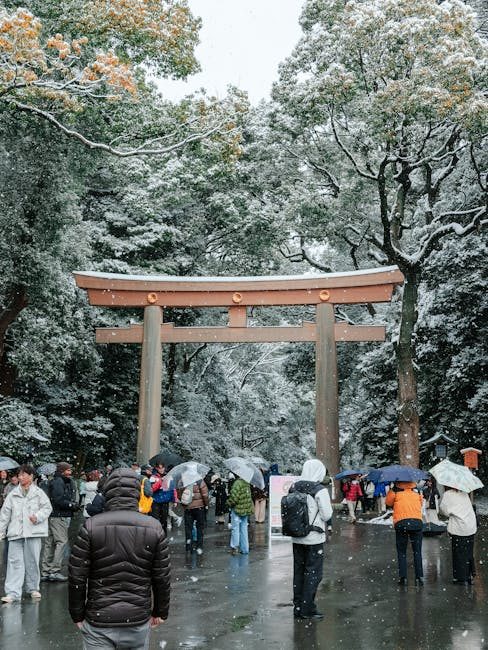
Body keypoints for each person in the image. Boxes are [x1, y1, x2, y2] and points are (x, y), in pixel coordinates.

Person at [68, 468, 170, 649]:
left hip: (99, 617)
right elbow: (161, 576)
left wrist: (77, 613)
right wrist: (160, 611)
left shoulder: (91, 526)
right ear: (137, 492)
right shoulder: (153, 527)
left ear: (108, 491)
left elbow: (77, 575)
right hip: (137, 617)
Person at [0, 464, 52, 602]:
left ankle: (33, 588)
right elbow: (4, 515)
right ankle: (12, 593)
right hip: (15, 533)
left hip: (33, 532)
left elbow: (47, 508)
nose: (20, 477)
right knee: (14, 562)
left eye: (24, 474)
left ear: (31, 476)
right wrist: (1, 531)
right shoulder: (13, 494)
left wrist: (38, 516)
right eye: (19, 475)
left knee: (32, 561)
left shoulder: (38, 492)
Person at [289, 459, 332, 620]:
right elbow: (327, 514)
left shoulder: (294, 487)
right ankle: (308, 608)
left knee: (299, 572)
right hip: (314, 538)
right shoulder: (319, 490)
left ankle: (298, 606)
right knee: (313, 573)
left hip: (297, 537)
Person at [41, 461, 79, 582]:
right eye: (68, 470)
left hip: (52, 515)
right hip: (58, 516)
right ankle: (54, 571)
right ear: (62, 471)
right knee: (61, 542)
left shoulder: (56, 480)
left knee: (49, 542)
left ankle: (45, 571)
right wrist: (71, 505)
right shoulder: (59, 481)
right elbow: (58, 500)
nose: (70, 472)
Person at [385, 481, 424, 586]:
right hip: (416, 522)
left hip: (401, 523)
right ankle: (419, 577)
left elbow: (388, 503)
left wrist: (393, 489)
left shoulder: (395, 493)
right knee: (417, 551)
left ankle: (403, 577)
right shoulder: (416, 493)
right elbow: (421, 503)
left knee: (402, 551)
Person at [439, 487, 477, 585]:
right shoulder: (465, 493)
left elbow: (444, 511)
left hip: (458, 528)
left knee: (458, 553)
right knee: (468, 552)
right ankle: (469, 575)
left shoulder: (448, 494)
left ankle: (460, 577)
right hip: (470, 526)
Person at [227, 474, 254, 555]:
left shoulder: (237, 483)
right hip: (245, 510)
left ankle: (234, 547)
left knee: (235, 528)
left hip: (237, 510)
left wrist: (228, 503)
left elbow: (234, 498)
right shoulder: (246, 483)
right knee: (243, 529)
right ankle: (245, 548)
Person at [180, 479, 209, 555]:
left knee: (188, 528)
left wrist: (184, 504)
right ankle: (199, 546)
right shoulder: (200, 481)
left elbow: (179, 493)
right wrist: (206, 505)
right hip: (199, 508)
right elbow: (205, 495)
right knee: (200, 528)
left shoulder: (184, 480)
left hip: (188, 508)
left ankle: (189, 547)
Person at [150, 463, 176, 535]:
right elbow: (152, 489)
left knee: (164, 521)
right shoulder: (153, 477)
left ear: (164, 468)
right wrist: (160, 481)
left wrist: (174, 500)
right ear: (157, 468)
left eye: (162, 468)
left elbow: (172, 489)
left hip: (165, 502)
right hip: (156, 502)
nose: (161, 469)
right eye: (159, 468)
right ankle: (155, 538)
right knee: (155, 521)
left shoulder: (167, 476)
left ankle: (164, 538)